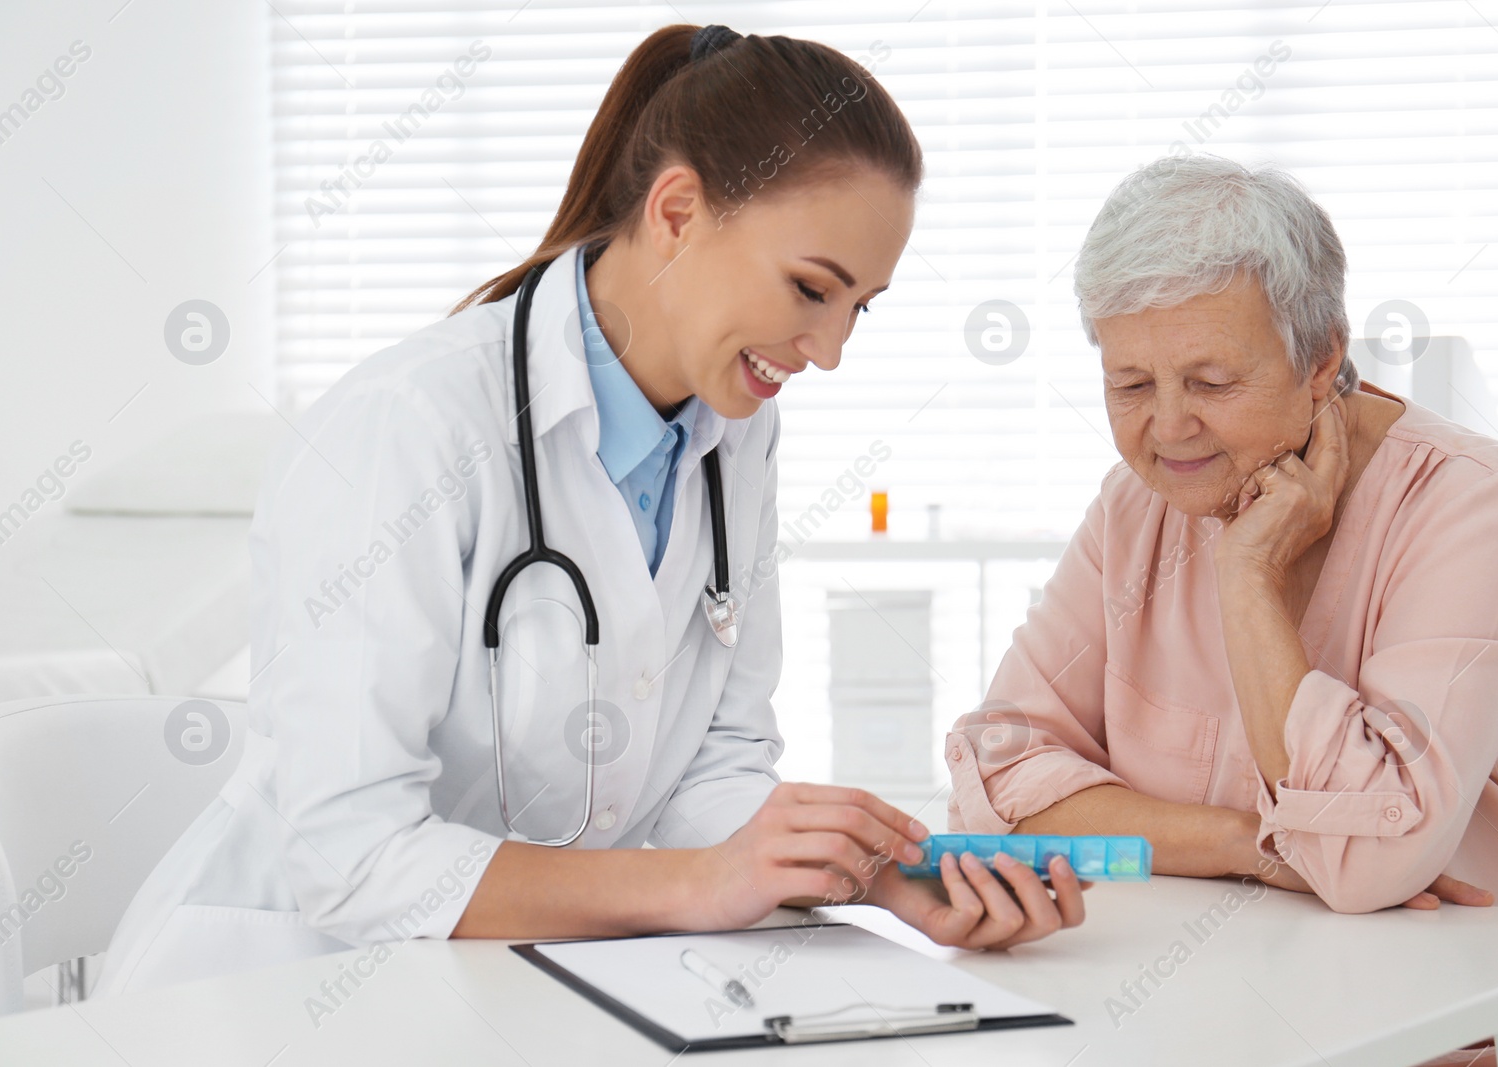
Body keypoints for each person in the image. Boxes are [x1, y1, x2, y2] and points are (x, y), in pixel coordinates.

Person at [97, 24, 1086, 998]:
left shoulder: (734, 429)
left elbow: (717, 762)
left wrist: (874, 878)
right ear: (677, 211)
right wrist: (701, 882)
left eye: (857, 306)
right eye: (809, 288)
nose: (826, 349)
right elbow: (349, 854)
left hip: (521, 987)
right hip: (275, 992)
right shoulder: (403, 426)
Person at [946, 155, 1498, 1065]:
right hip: (1225, 1006)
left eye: (1211, 383)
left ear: (1322, 354)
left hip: (1484, 1029)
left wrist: (1247, 577)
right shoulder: (1136, 508)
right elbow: (993, 778)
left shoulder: (1477, 505)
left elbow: (1365, 863)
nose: (1168, 428)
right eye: (1131, 385)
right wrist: (1249, 842)